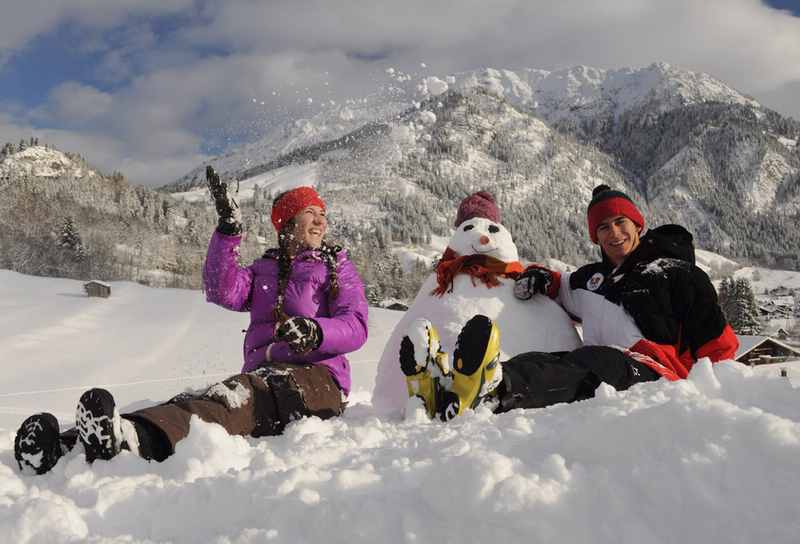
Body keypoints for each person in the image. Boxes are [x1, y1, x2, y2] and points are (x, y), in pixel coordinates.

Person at [14, 167, 368, 474]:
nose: (321, 219)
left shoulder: (336, 268)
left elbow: (356, 324)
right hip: (264, 375)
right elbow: (221, 289)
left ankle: (136, 442)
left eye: (322, 213)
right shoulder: (265, 269)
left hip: (319, 383)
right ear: (288, 222)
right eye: (310, 211)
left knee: (229, 403)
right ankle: (64, 447)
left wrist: (316, 330)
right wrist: (229, 231)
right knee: (203, 397)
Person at [400, 184, 738, 420]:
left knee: (593, 360)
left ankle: (491, 390)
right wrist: (540, 278)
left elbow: (720, 347)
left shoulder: (677, 274)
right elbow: (561, 286)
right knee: (549, 361)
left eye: (620, 222)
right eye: (603, 226)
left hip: (659, 375)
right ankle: (455, 387)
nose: (613, 232)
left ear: (637, 224)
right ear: (595, 236)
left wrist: (708, 403)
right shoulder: (592, 280)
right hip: (603, 367)